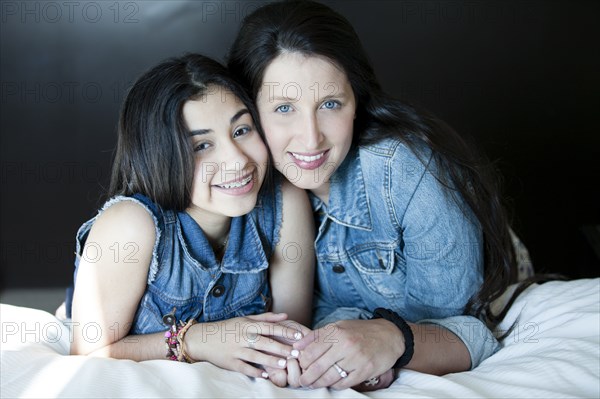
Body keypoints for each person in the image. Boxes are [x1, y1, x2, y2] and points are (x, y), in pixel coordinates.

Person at [227, 0, 534, 390]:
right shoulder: (239, 189)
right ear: (249, 111)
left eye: (330, 104)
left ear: (357, 101)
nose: (310, 137)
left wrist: (393, 341)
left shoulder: (407, 173)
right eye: (284, 107)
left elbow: (469, 329)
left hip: (492, 265)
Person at [67, 53, 315, 383]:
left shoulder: (284, 201)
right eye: (201, 146)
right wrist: (195, 340)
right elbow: (88, 354)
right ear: (160, 156)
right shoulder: (129, 225)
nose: (236, 160)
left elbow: (288, 335)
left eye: (241, 130)